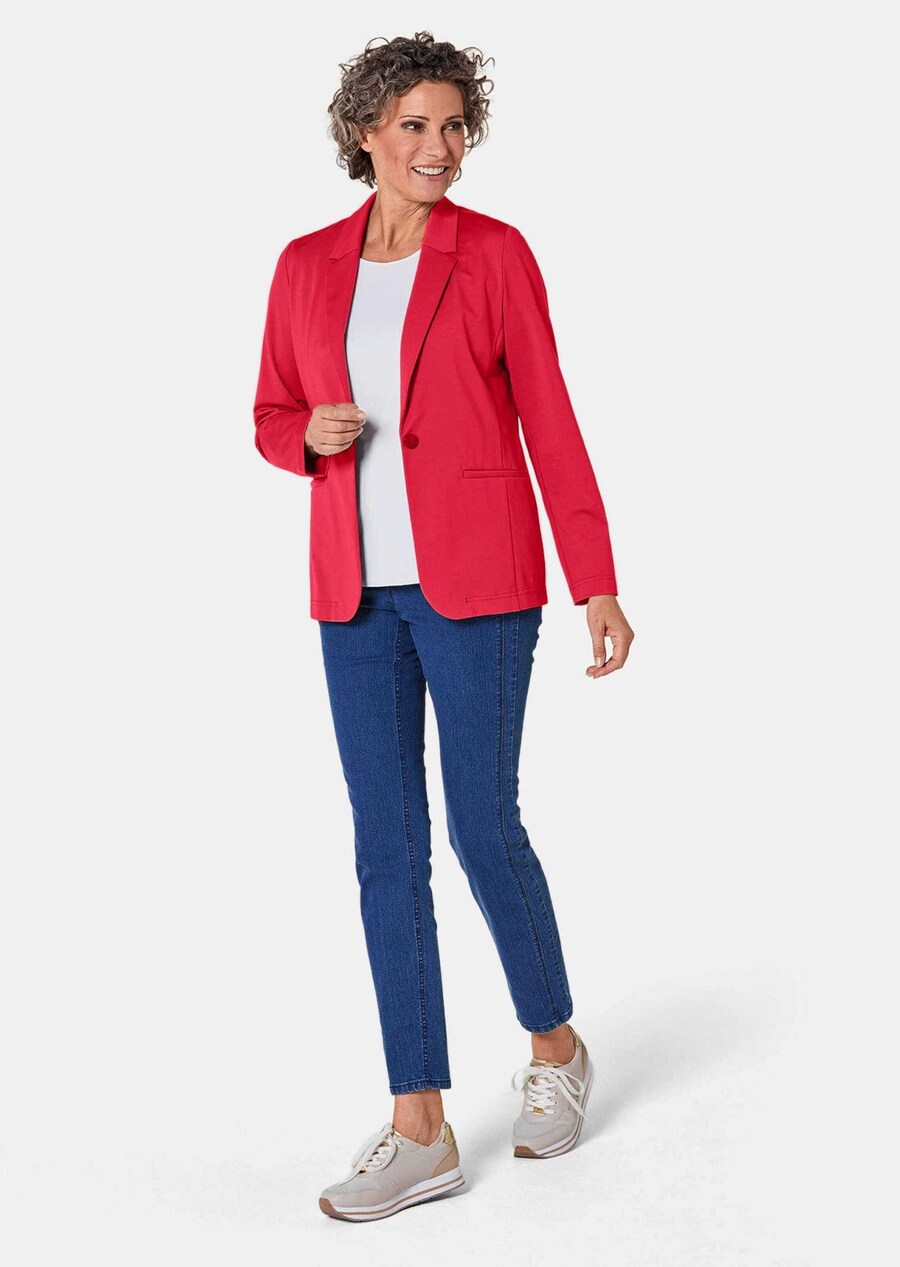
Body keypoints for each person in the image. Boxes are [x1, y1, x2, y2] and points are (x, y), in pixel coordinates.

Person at [252, 30, 635, 1223]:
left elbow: (550, 418)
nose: (439, 145)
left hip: (483, 587)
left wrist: (595, 576)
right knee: (385, 848)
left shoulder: (496, 254)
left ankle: (556, 1047)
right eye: (415, 124)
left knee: (481, 825)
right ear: (366, 131)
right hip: (355, 594)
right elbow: (268, 411)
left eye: (455, 125)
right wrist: (304, 435)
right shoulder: (305, 266)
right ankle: (419, 1124)